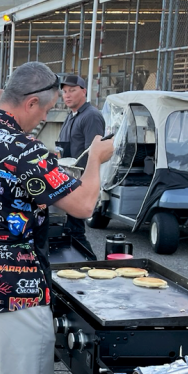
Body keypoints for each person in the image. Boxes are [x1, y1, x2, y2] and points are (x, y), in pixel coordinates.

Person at [0, 62, 113, 374]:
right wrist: (96, 159)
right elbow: (83, 205)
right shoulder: (25, 149)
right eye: (47, 110)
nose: (43, 119)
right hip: (16, 283)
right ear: (31, 103)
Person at [56, 74, 105, 256]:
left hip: (79, 182)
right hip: (65, 180)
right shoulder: (70, 116)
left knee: (75, 230)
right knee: (66, 228)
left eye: (72, 90)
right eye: (65, 91)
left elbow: (94, 153)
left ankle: (91, 264)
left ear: (84, 91)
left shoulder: (91, 116)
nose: (67, 95)